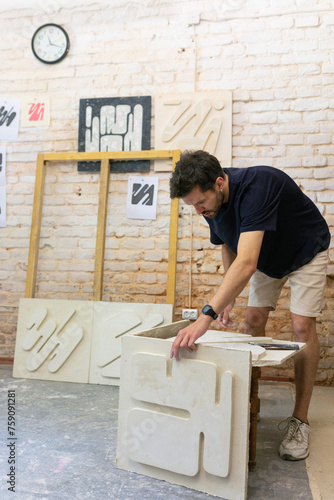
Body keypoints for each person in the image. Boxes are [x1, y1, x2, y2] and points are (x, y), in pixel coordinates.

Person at [169, 150, 330, 461]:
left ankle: (300, 421)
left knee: (300, 325)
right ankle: (246, 406)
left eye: (200, 203)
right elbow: (229, 245)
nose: (198, 210)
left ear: (218, 183)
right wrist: (228, 298)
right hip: (267, 257)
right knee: (253, 319)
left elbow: (247, 262)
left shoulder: (259, 185)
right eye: (192, 206)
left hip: (305, 250)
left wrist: (206, 316)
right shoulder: (210, 205)